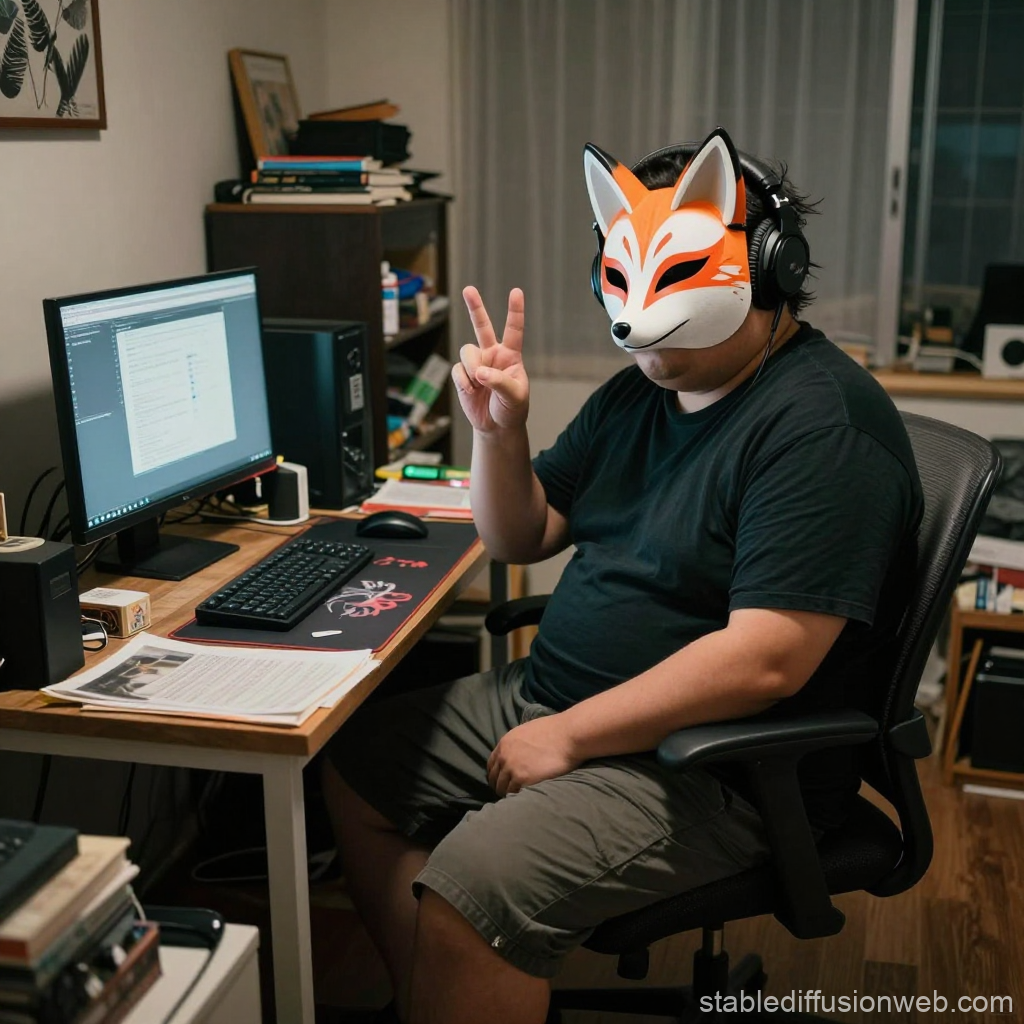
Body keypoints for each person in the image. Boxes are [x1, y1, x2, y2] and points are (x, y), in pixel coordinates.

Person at [323, 127, 923, 1024]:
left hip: (712, 767)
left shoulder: (821, 428)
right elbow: (520, 535)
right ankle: (442, 995)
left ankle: (463, 964)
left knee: (476, 882)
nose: (638, 313)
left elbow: (770, 662)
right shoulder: (642, 388)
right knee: (358, 767)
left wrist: (568, 738)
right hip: (560, 695)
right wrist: (496, 431)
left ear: (765, 263)